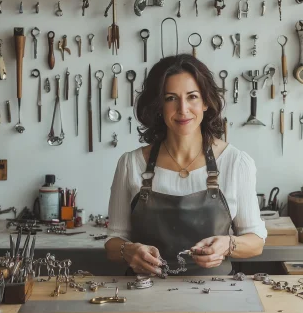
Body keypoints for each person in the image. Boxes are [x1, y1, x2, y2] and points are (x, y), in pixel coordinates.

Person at [105, 54, 267, 276]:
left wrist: (228, 244)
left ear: (206, 102)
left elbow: (256, 242)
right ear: (158, 105)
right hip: (145, 298)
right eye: (171, 98)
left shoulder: (235, 163)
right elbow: (113, 243)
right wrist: (128, 250)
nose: (183, 109)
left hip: (217, 298)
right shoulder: (131, 164)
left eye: (192, 96)